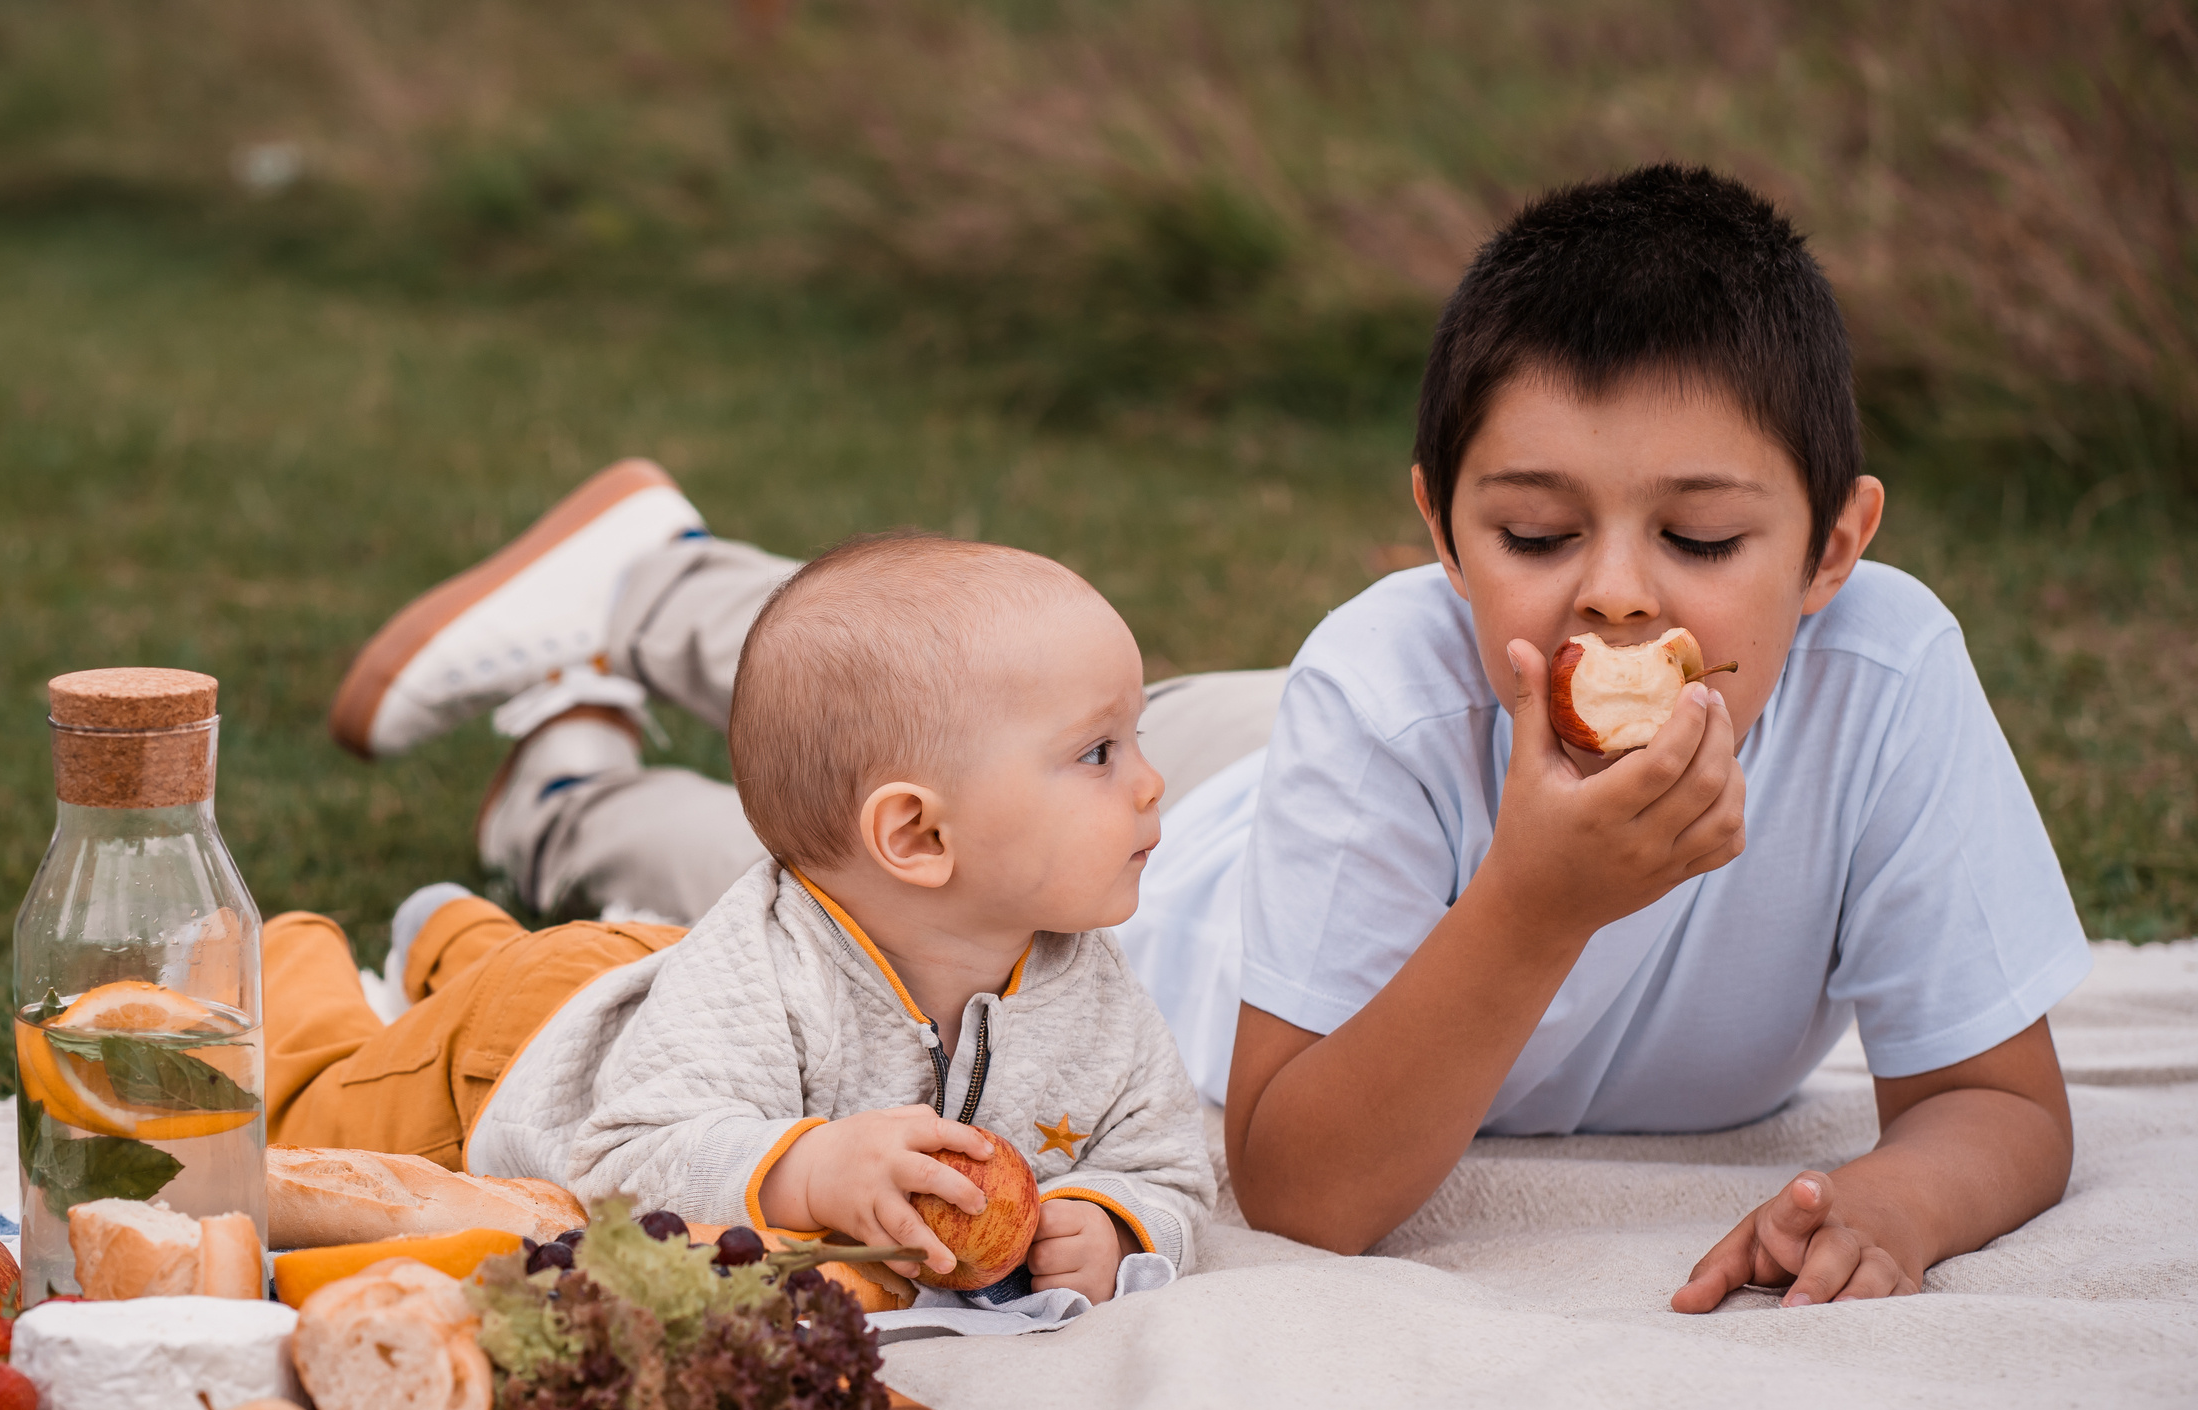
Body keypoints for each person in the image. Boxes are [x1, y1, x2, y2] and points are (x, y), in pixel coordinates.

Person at [1128, 163, 2087, 1312]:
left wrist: (1899, 1202)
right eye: (1534, 536)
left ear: (1832, 549)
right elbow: (1299, 1192)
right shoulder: (1381, 688)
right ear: (1442, 529)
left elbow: (2004, 1104)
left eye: (1702, 535)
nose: (1620, 597)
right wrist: (1538, 902)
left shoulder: (1882, 679)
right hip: (1201, 798)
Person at [272, 531, 1215, 1303]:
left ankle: (454, 932)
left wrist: (1115, 1215)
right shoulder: (771, 973)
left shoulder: (1083, 974)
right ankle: (296, 954)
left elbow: (1165, 1155)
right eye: (1098, 752)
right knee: (309, 1119)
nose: (1151, 781)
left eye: (1135, 739)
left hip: (657, 982)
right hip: (516, 1048)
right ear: (919, 833)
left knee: (563, 969)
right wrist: (809, 1167)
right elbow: (626, 1153)